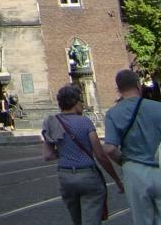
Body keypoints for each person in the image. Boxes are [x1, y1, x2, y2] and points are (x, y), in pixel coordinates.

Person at [103, 68, 161, 225]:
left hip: (134, 171)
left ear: (118, 89)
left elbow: (109, 148)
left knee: (143, 220)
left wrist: (124, 161)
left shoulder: (113, 114)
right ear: (138, 84)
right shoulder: (160, 108)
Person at [41, 83, 124, 225]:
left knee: (77, 221)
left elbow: (47, 155)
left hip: (65, 177)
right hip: (87, 176)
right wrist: (117, 179)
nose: (82, 104)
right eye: (81, 100)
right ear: (74, 102)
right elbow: (100, 155)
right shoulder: (85, 122)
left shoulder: (51, 122)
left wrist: (65, 152)